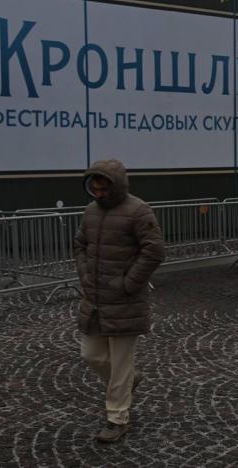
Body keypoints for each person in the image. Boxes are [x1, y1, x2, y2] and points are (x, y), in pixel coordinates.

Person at [73, 159, 165, 443]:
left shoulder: (139, 210)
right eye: (95, 189)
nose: (99, 194)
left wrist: (128, 284)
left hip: (125, 302)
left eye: (104, 189)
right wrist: (85, 274)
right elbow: (80, 244)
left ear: (117, 186)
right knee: (91, 355)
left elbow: (154, 251)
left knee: (121, 363)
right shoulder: (90, 211)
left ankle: (117, 418)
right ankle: (130, 381)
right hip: (95, 299)